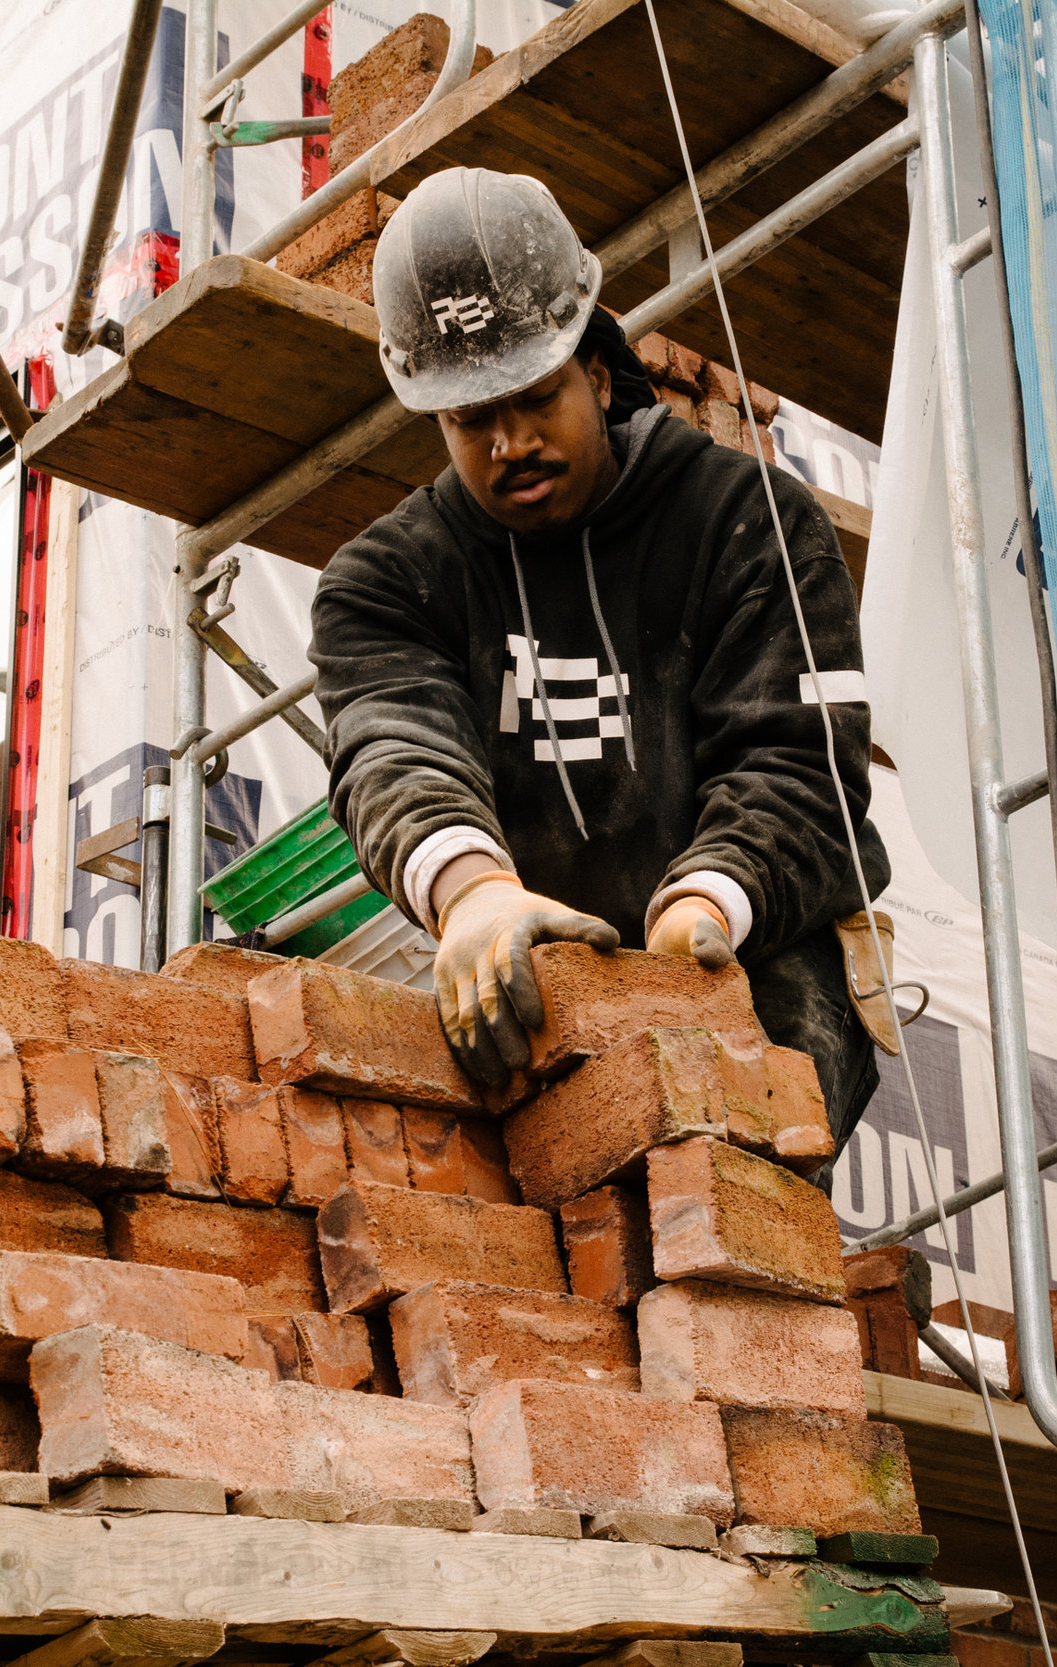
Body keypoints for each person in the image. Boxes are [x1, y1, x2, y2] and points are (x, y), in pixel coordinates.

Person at [308, 166, 898, 1145]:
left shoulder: (748, 521)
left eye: (535, 397)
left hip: (755, 965)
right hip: (535, 984)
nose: (507, 443)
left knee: (725, 1210)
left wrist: (708, 903)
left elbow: (798, 765)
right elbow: (392, 748)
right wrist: (474, 894)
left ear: (595, 361)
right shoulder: (386, 580)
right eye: (468, 418)